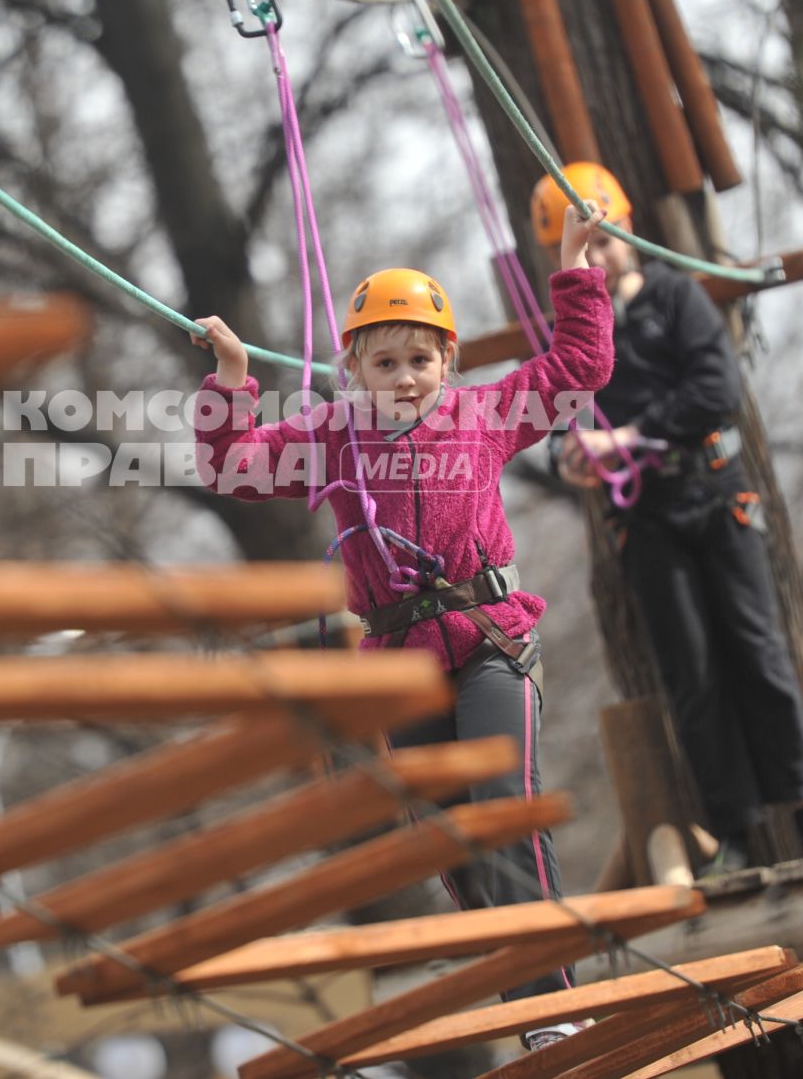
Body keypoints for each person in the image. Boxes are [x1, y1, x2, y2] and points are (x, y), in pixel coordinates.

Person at [188, 201, 611, 1043]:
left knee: (500, 807)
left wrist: (577, 267)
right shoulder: (335, 438)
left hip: (491, 640)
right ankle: (524, 1001)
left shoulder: (484, 418)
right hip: (401, 662)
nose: (406, 376)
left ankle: (554, 1003)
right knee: (450, 840)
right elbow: (231, 466)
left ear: (448, 362)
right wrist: (231, 380)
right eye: (387, 362)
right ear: (355, 367)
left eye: (421, 358)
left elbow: (579, 366)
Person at [539, 162, 803, 875]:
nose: (597, 255)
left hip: (715, 493)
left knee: (758, 649)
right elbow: (559, 411)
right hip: (648, 516)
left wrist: (629, 434)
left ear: (627, 232)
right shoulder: (577, 334)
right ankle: (735, 828)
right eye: (580, 248)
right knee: (692, 672)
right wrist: (572, 455)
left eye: (604, 240)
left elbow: (716, 389)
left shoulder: (676, 296)